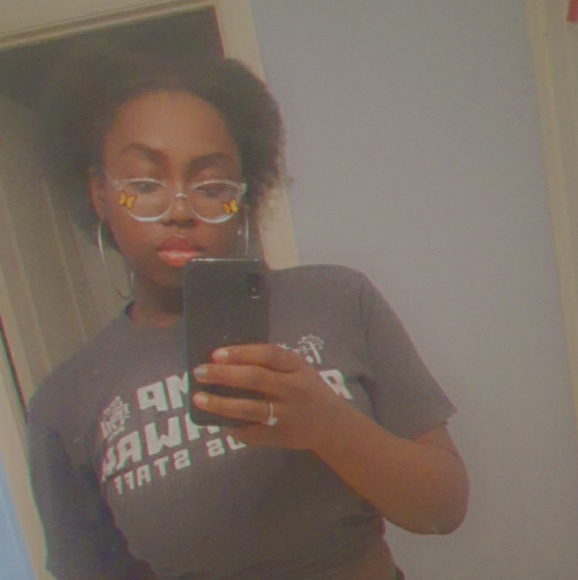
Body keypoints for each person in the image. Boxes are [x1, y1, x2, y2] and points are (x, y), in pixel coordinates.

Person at [27, 43, 469, 580]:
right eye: (144, 184)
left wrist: (327, 424)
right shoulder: (65, 401)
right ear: (100, 193)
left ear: (244, 195)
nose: (180, 210)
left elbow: (443, 511)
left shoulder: (337, 300)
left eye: (212, 186)